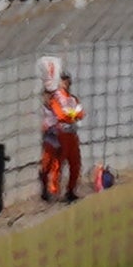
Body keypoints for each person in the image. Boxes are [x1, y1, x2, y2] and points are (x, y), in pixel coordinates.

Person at [38, 57, 84, 204]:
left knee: (75, 163)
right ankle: (51, 190)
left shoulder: (72, 98)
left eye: (67, 80)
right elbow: (60, 115)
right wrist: (72, 115)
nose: (66, 82)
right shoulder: (54, 97)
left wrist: (71, 115)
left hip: (70, 134)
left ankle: (69, 191)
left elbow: (81, 113)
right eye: (63, 79)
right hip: (56, 134)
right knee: (52, 163)